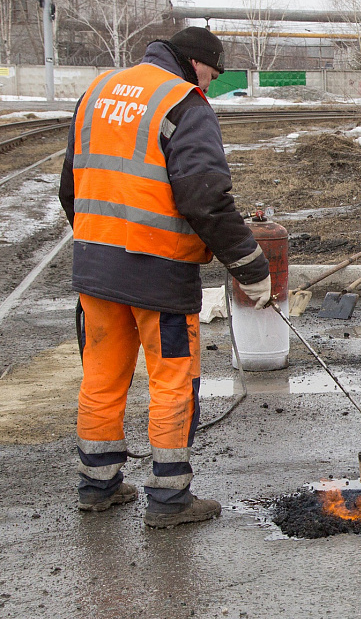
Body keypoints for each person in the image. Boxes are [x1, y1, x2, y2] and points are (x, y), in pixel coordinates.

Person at [59, 27, 272, 527]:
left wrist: (98, 247)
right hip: (159, 273)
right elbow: (206, 198)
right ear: (196, 63)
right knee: (173, 379)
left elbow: (71, 186)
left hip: (96, 268)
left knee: (101, 375)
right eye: (214, 76)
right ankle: (170, 500)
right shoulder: (183, 103)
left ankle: (98, 485)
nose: (213, 86)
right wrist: (251, 267)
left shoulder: (98, 92)